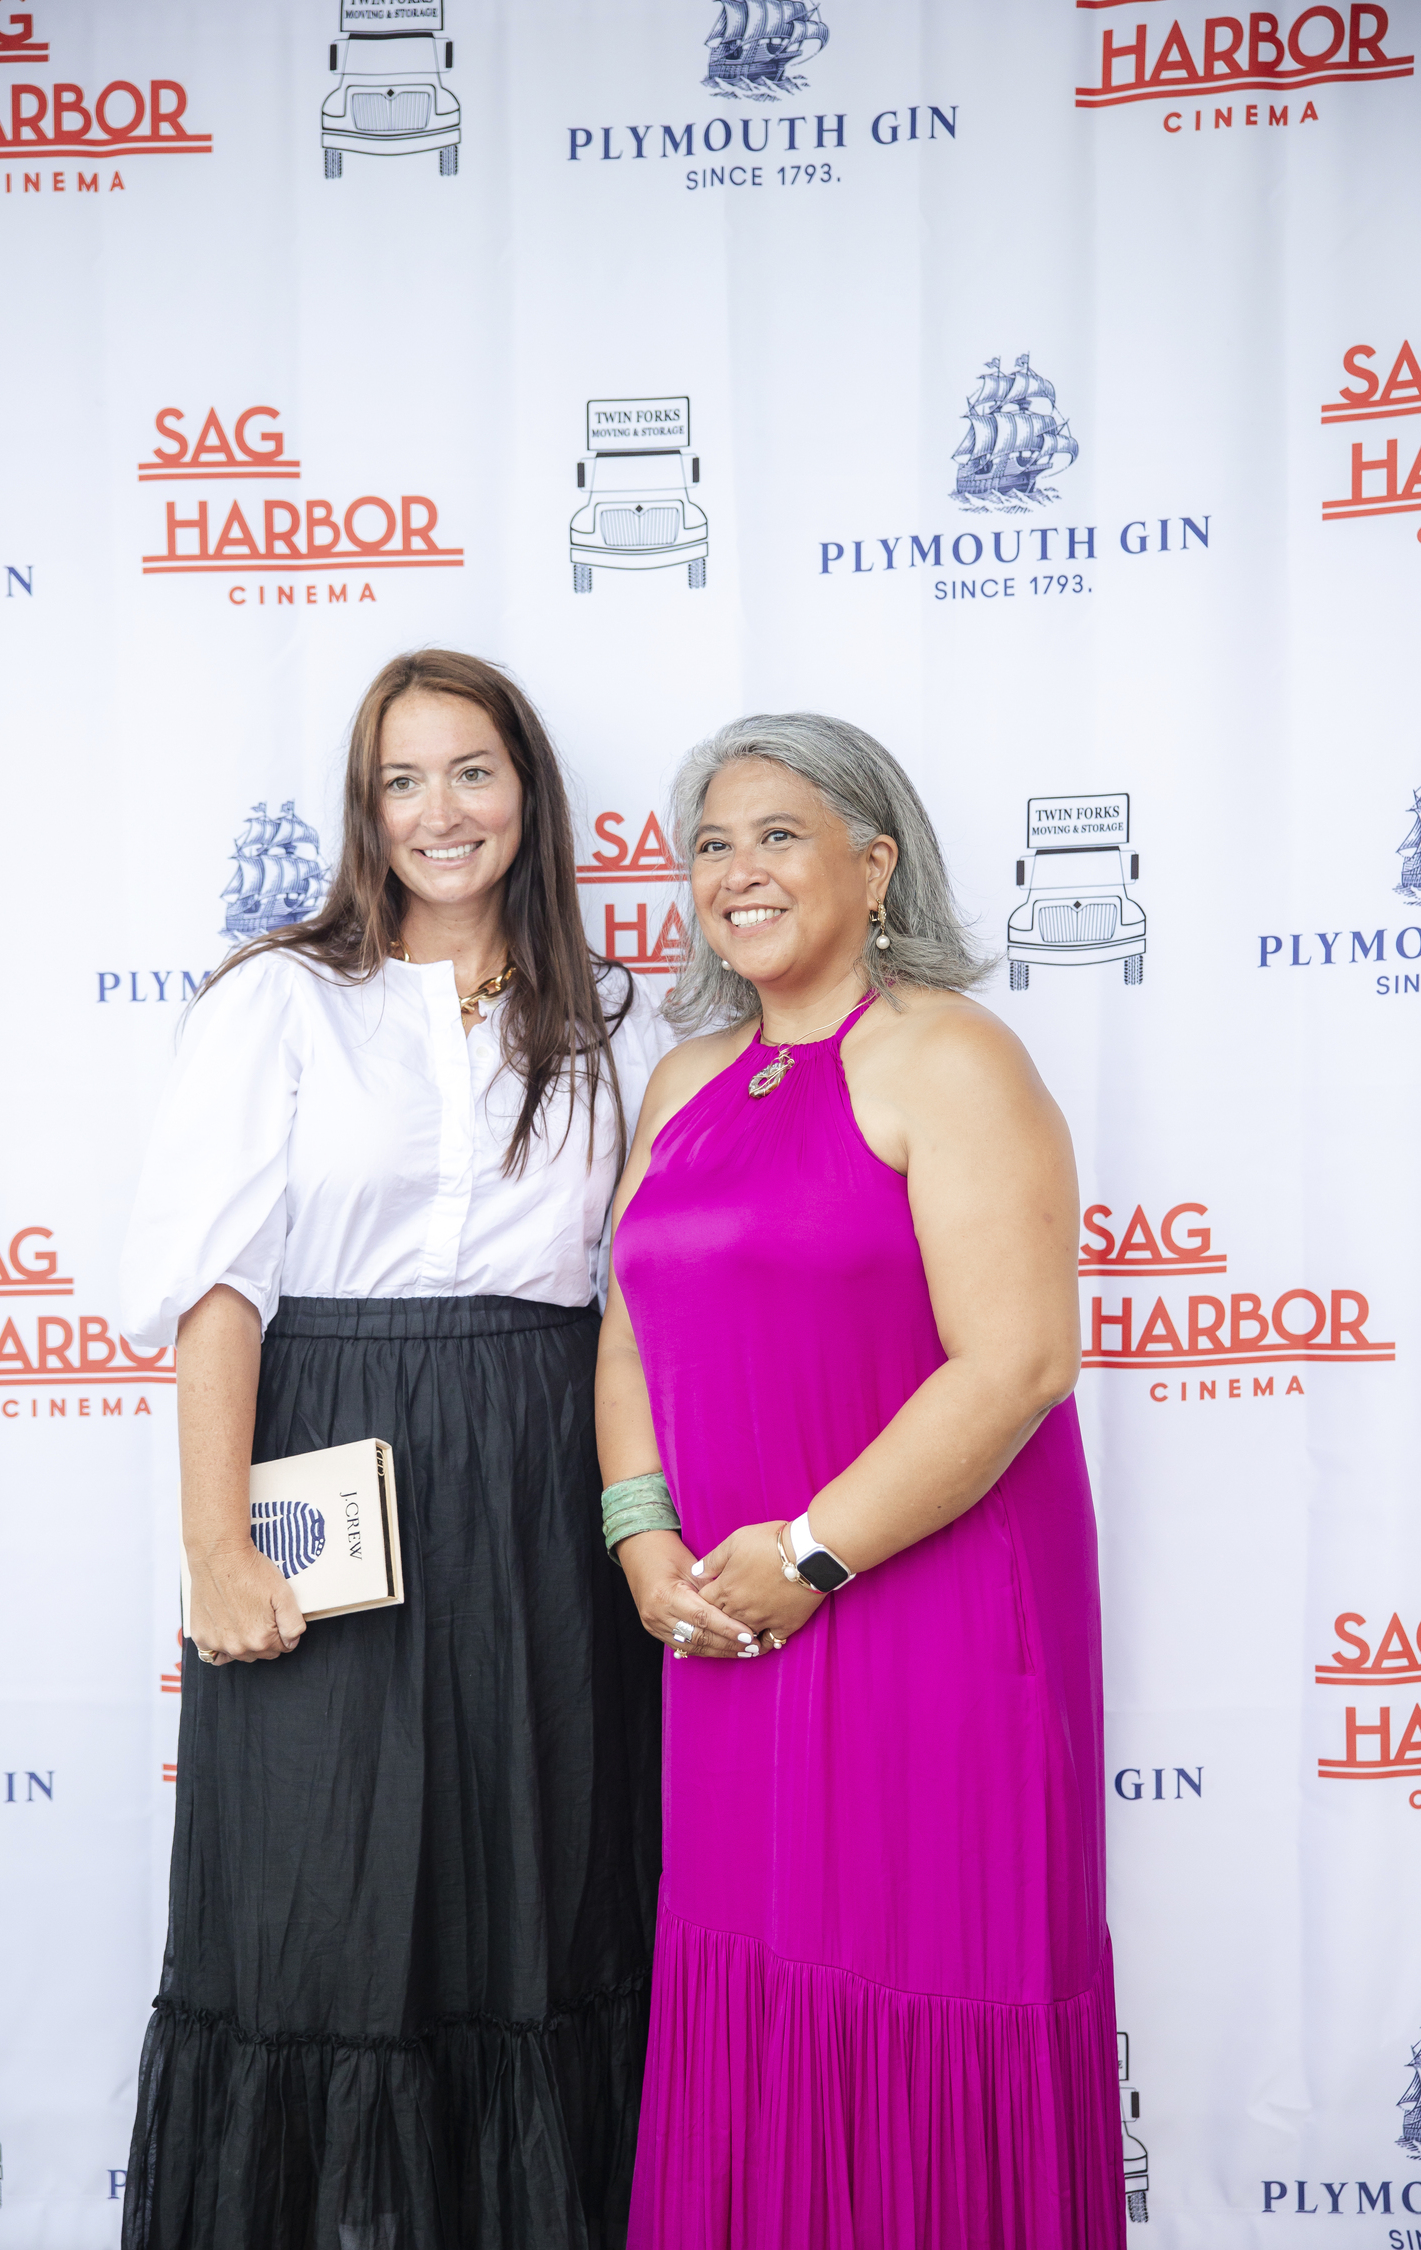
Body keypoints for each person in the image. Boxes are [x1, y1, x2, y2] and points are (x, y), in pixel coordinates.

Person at [119, 649, 668, 2250]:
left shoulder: (620, 1014)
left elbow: (647, 1291)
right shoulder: (280, 997)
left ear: (527, 789)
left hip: (543, 1479)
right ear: (364, 812)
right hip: (324, 1460)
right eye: (402, 780)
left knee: (536, 1889)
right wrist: (215, 1545)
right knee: (320, 1895)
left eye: (473, 770)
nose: (443, 810)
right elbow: (217, 1285)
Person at [596, 713, 1124, 2248]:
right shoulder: (685, 1076)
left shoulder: (950, 1054)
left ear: (874, 860)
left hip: (936, 1618)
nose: (736, 871)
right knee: (751, 1973)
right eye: (709, 842)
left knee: (937, 1975)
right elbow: (627, 1325)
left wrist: (813, 1551)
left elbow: (1018, 1361)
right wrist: (646, 1540)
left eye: (777, 834)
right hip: (728, 1626)